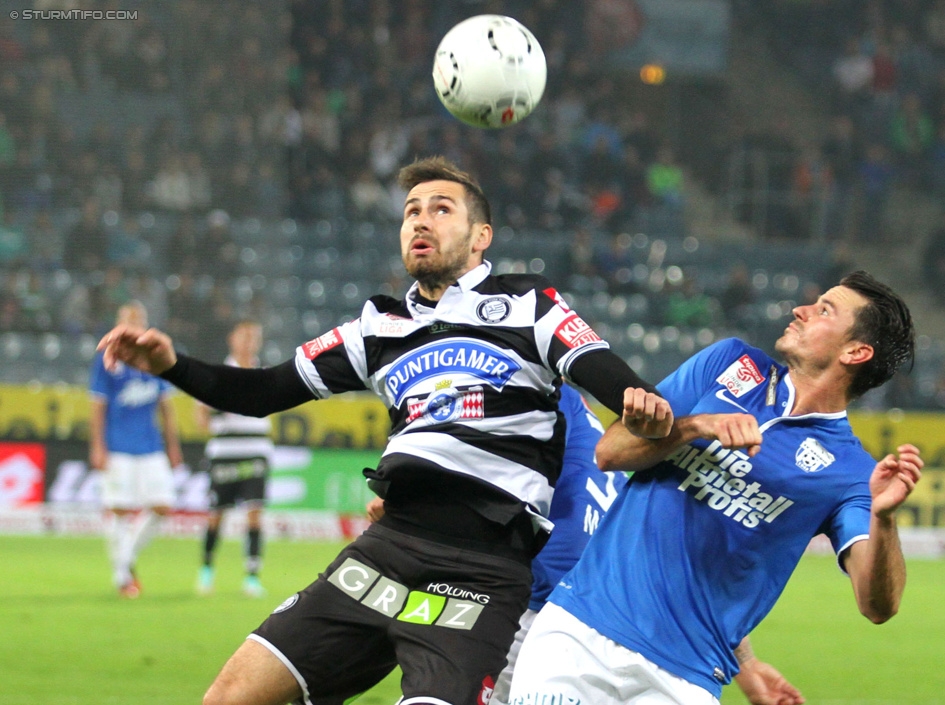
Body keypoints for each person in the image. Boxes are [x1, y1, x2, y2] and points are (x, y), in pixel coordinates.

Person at [97, 156, 674, 705]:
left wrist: (644, 409)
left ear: (481, 237)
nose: (421, 219)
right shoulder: (377, 330)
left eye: (442, 208)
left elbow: (620, 387)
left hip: (482, 568)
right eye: (411, 210)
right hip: (386, 550)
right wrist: (172, 366)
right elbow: (261, 392)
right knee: (231, 695)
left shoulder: (529, 307)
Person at [509, 270, 922, 705]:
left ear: (856, 351)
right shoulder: (729, 364)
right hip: (579, 632)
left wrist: (884, 519)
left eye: (824, 311)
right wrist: (694, 427)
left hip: (684, 679)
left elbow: (878, 606)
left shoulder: (851, 471)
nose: (800, 310)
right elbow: (610, 452)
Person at [366, 384, 804, 705]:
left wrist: (415, 515)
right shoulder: (587, 426)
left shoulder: (531, 402)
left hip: (538, 620)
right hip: (592, 623)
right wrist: (746, 664)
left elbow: (485, 495)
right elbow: (677, 568)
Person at [89, 300, 183, 598]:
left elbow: (167, 407)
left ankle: (124, 561)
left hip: (150, 445)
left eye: (138, 320)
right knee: (118, 508)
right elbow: (97, 406)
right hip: (118, 446)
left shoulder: (156, 357)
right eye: (128, 320)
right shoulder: (108, 358)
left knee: (163, 505)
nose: (133, 325)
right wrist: (98, 447)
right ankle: (122, 577)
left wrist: (173, 446)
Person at [195, 319, 274, 598]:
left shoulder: (265, 373)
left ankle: (252, 577)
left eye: (254, 337)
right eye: (245, 336)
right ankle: (206, 570)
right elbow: (201, 418)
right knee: (217, 514)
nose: (249, 342)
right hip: (224, 451)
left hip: (256, 450)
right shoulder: (217, 375)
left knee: (254, 514)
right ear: (232, 339)